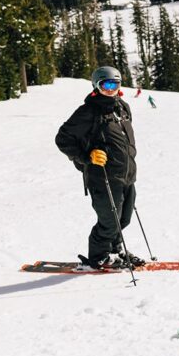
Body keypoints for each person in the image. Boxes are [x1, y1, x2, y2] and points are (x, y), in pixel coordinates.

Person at [55, 66, 144, 269]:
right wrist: (87, 156)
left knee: (124, 218)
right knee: (109, 220)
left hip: (126, 174)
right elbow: (63, 139)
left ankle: (115, 250)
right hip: (102, 176)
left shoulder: (122, 107)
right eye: (106, 85)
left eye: (115, 84)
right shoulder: (87, 112)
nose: (111, 89)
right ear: (97, 86)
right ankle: (98, 256)